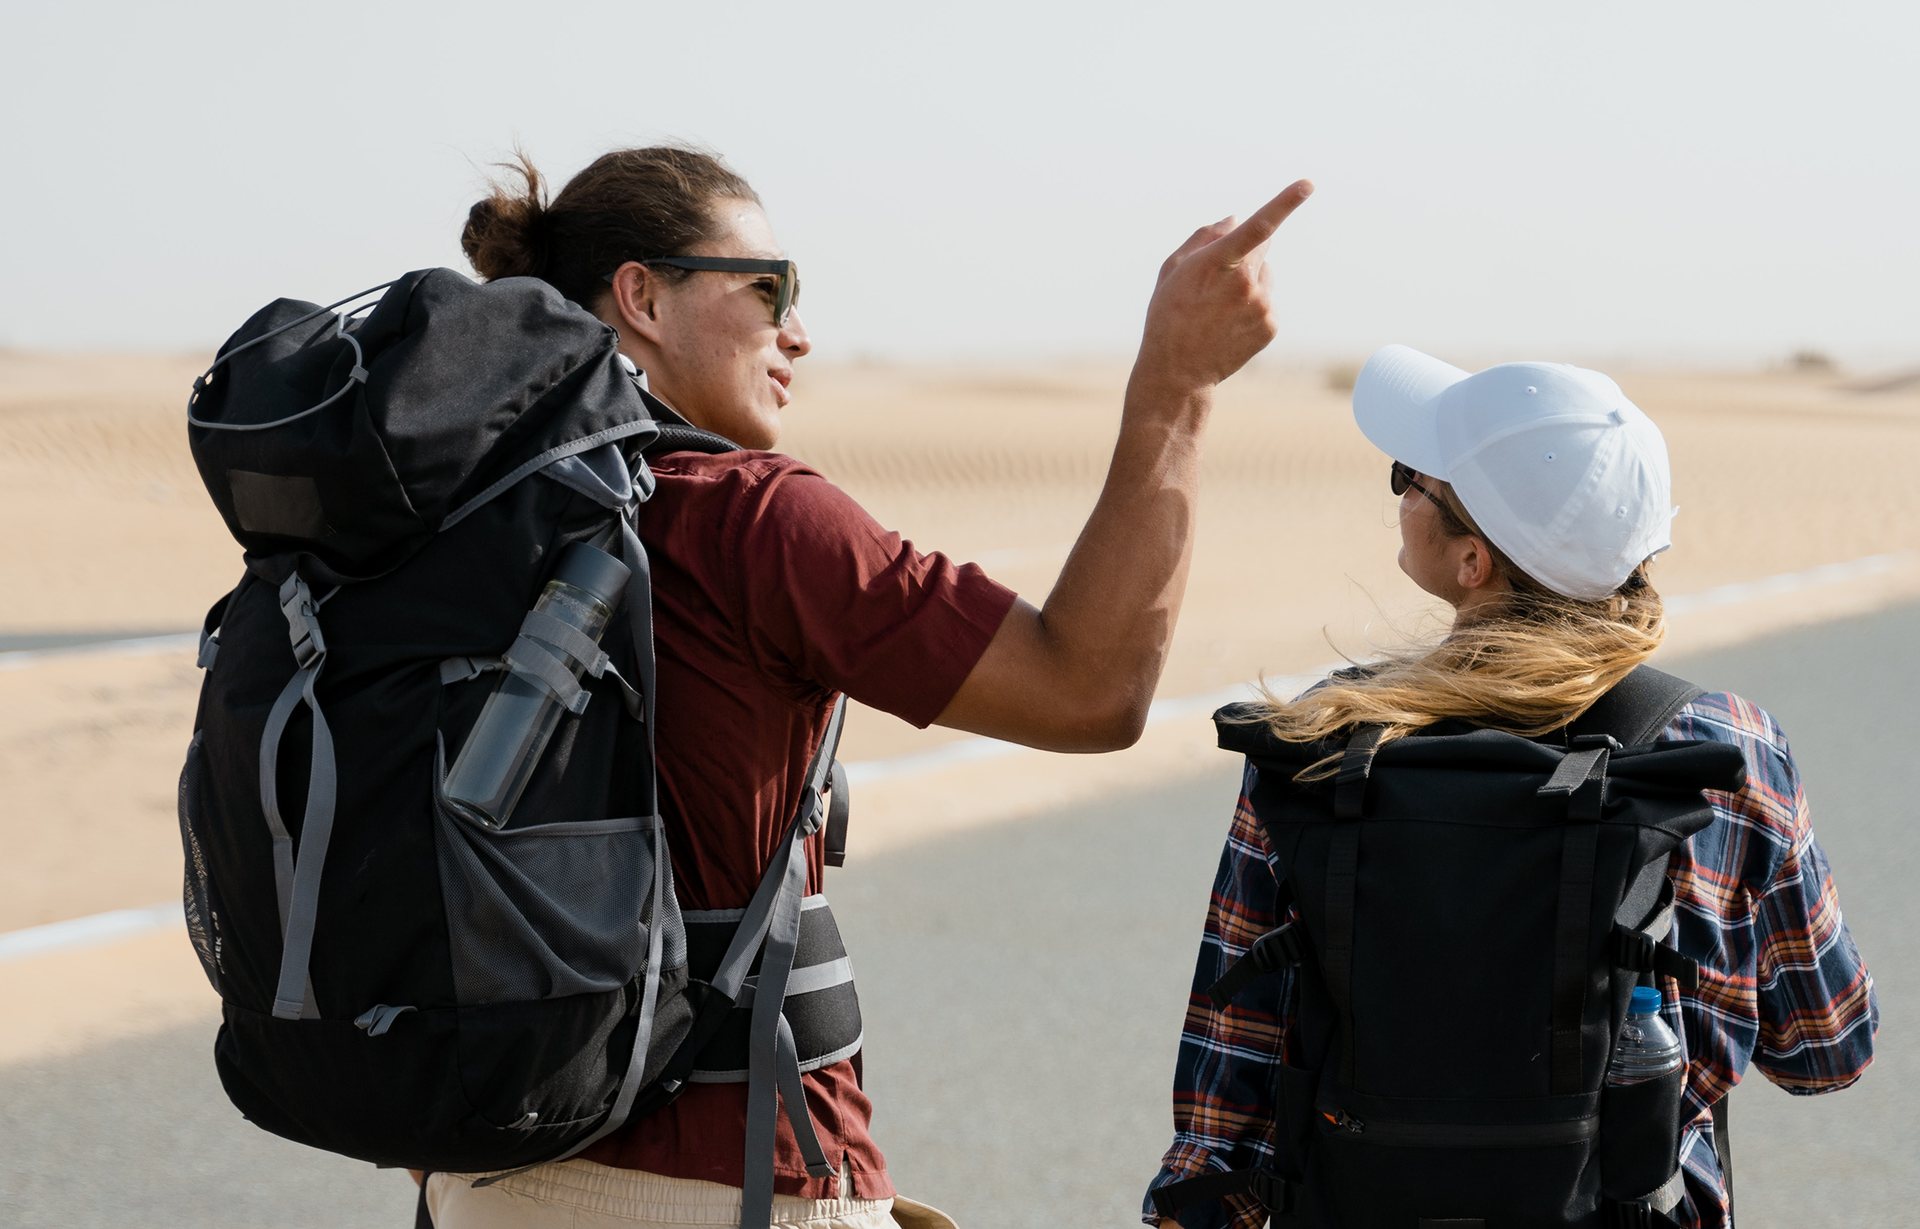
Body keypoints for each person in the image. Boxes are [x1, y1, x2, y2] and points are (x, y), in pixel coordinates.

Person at [417, 145, 1313, 1228]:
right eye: (769, 289)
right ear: (642, 296)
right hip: (724, 1186)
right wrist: (1176, 386)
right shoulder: (749, 516)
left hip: (472, 1179)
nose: (797, 330)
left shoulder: (440, 524)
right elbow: (1089, 691)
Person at [1145, 346, 1878, 1229]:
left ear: (1472, 561)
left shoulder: (1322, 737)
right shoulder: (1723, 746)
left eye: (1414, 481)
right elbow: (1827, 1049)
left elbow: (1224, 1106)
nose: (1403, 494)